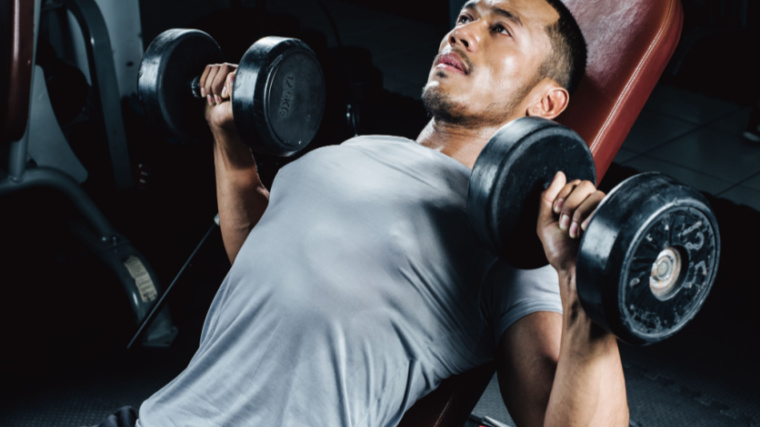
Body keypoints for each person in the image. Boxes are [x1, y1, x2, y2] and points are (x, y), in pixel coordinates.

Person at [126, 0, 630, 426]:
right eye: (465, 17)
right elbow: (259, 252)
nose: (463, 34)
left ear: (546, 100)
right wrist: (230, 142)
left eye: (500, 29)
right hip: (157, 415)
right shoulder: (359, 148)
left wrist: (585, 283)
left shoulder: (510, 234)